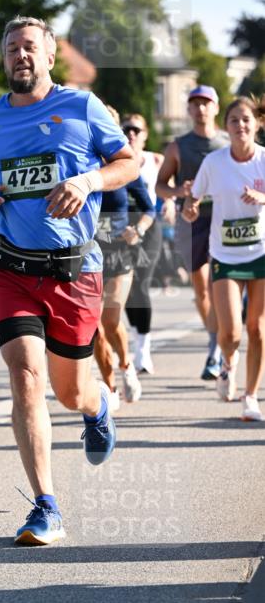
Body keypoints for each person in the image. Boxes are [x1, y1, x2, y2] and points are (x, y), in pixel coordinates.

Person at [0, 16, 137, 546]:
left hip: (73, 271)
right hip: (9, 269)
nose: (20, 55)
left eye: (29, 48)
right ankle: (46, 506)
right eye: (12, 48)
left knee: (71, 393)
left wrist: (89, 181)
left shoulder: (81, 107)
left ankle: (99, 405)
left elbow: (127, 163)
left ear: (48, 56)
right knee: (25, 378)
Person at [183, 96, 265, 421]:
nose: (241, 125)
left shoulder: (263, 159)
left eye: (246, 119)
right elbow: (194, 198)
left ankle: (251, 397)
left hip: (261, 252)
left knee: (257, 329)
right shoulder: (215, 162)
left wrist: (262, 197)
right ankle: (228, 365)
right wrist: (189, 209)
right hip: (225, 255)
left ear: (257, 123)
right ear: (225, 126)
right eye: (234, 120)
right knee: (230, 333)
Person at [156, 86, 229, 380]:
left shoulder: (226, 141)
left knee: (216, 287)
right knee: (201, 292)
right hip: (191, 222)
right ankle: (217, 337)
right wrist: (177, 191)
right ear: (188, 110)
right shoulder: (177, 146)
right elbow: (160, 185)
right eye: (195, 104)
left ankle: (215, 351)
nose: (200, 109)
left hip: (222, 222)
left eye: (206, 103)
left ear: (216, 107)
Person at [93, 169, 155, 408]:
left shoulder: (126, 167)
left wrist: (138, 229)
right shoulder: (79, 160)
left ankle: (126, 365)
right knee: (94, 327)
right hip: (89, 256)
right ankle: (110, 388)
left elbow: (149, 209)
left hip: (119, 254)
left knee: (110, 320)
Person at [122, 113, 166, 374]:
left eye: (137, 129)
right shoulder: (114, 161)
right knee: (126, 289)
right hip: (121, 229)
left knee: (142, 283)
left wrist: (169, 203)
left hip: (148, 228)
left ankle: (143, 348)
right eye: (127, 128)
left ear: (145, 134)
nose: (132, 134)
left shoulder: (155, 160)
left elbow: (164, 187)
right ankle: (137, 338)